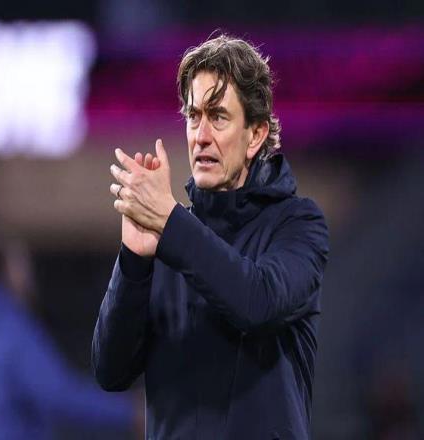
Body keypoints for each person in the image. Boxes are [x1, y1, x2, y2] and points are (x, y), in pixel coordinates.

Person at [92, 34, 329, 439]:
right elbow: (110, 371)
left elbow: (257, 301)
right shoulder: (168, 237)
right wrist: (133, 259)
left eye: (218, 116)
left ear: (255, 135)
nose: (201, 135)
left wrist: (169, 222)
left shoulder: (298, 225)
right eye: (193, 116)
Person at [0, 231, 137, 440]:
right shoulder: (13, 332)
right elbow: (59, 397)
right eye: (21, 264)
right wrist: (129, 412)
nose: (29, 275)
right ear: (4, 270)